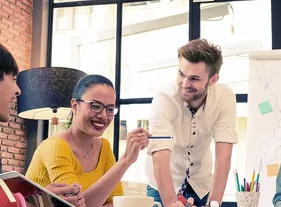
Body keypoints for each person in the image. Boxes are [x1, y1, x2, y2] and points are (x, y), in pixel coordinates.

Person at [26, 74, 151, 206]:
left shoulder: (104, 147)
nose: (103, 116)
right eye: (95, 106)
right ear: (75, 106)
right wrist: (126, 160)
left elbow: (114, 203)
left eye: (109, 109)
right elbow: (74, 205)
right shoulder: (55, 146)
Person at [146, 39, 238, 207]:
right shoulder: (164, 98)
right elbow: (159, 156)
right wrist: (171, 204)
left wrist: (214, 204)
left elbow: (224, 156)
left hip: (201, 185)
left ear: (213, 79)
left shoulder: (225, 97)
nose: (185, 84)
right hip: (164, 185)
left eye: (194, 79)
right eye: (181, 74)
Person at [0, 44, 86, 206]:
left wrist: (42, 198)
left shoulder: (105, 147)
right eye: (13, 79)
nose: (18, 90)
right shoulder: (55, 145)